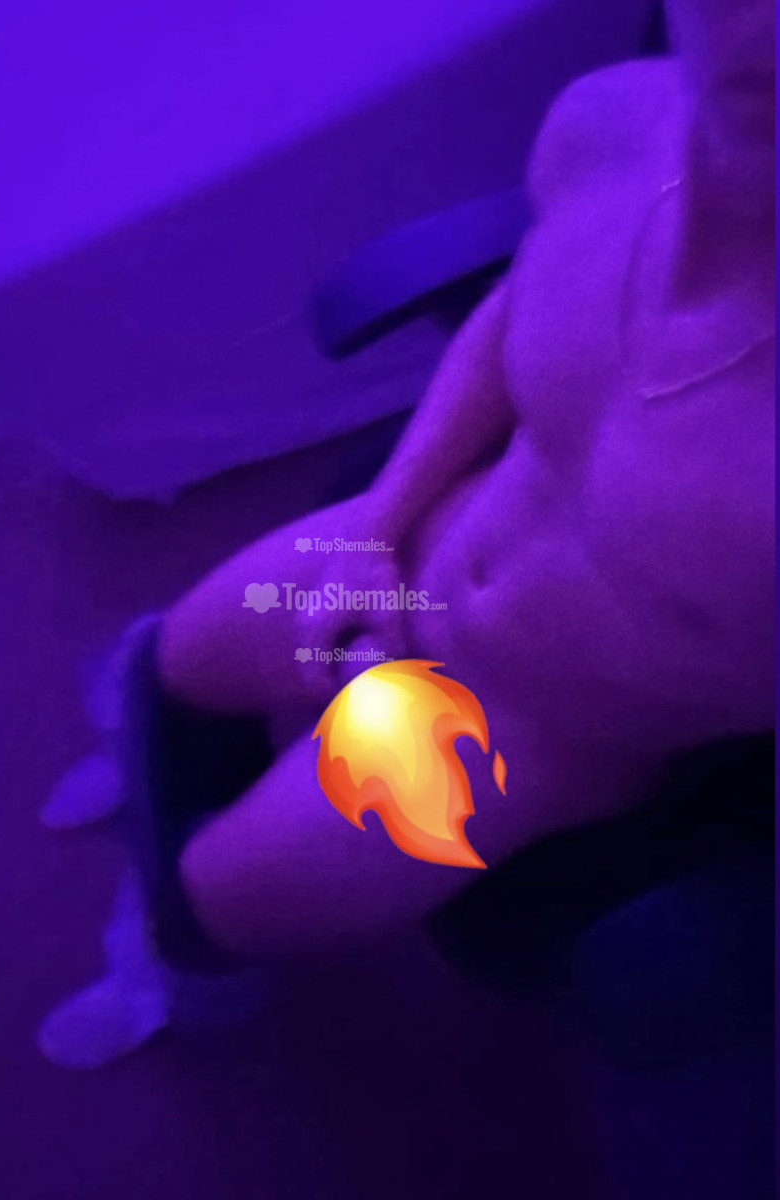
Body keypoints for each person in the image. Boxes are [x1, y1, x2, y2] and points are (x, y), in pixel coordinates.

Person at [156, 0, 775, 959]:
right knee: (177, 665)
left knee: (214, 896)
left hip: (533, 727)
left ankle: (169, 975)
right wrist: (377, 531)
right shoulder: (609, 123)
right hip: (415, 551)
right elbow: (516, 308)